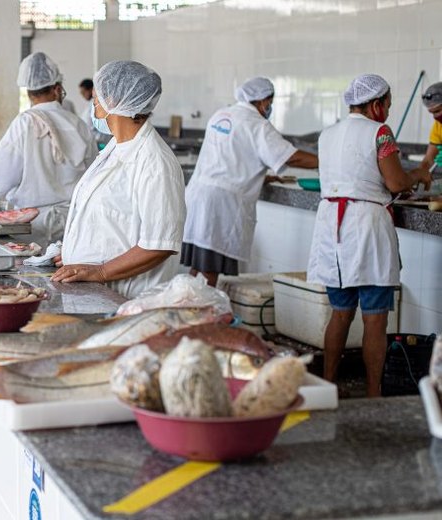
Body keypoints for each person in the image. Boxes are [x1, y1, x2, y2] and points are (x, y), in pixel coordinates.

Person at [307, 74, 432, 397]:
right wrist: (417, 174)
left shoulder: (328, 134)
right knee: (375, 319)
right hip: (365, 227)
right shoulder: (380, 132)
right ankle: (374, 394)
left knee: (340, 313)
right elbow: (395, 183)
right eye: (387, 106)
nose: (388, 113)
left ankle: (328, 384)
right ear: (376, 105)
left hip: (331, 229)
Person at [53, 60, 186, 299]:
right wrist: (77, 250)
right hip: (93, 294)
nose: (93, 103)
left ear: (114, 102)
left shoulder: (155, 162)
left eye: (97, 97)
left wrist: (100, 271)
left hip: (126, 298)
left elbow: (159, 244)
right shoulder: (116, 147)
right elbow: (111, 222)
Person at [181, 77, 318, 287]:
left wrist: (259, 177)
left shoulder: (222, 114)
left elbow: (231, 157)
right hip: (220, 205)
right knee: (208, 272)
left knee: (199, 268)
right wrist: (328, 161)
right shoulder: (256, 124)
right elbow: (291, 157)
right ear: (263, 101)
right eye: (269, 102)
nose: (269, 107)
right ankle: (200, 314)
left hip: (200, 195)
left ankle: (188, 310)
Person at [0, 52, 97, 243]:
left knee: (30, 272)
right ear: (57, 88)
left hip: (31, 224)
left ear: (28, 92)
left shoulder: (23, 124)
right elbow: (93, 177)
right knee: (69, 271)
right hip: (73, 222)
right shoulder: (78, 124)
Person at [419, 82, 442, 171]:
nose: (435, 117)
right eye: (432, 113)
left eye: (437, 111)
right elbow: (429, 159)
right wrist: (419, 174)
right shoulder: (438, 126)